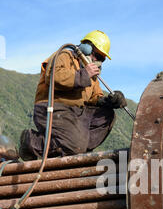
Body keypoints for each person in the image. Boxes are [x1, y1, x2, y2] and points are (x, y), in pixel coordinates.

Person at [19, 30, 127, 161]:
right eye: (98, 56)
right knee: (75, 145)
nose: (99, 61)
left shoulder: (90, 72)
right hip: (54, 108)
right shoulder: (64, 55)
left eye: (103, 59)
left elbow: (94, 97)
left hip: (76, 113)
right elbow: (53, 77)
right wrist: (83, 75)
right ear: (87, 48)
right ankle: (32, 142)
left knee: (106, 115)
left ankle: (76, 149)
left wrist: (109, 101)